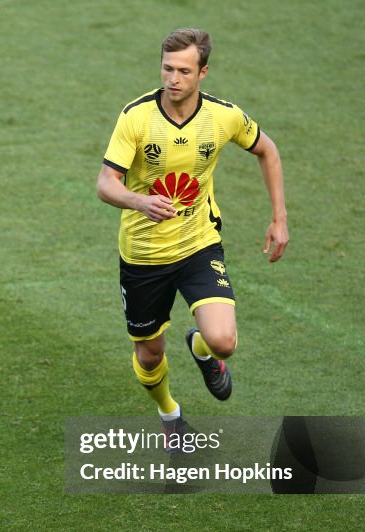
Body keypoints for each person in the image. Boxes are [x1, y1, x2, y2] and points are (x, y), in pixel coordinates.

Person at [96, 28, 288, 447]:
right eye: (167, 68)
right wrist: (137, 201)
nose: (173, 79)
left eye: (184, 70)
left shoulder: (224, 117)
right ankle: (170, 414)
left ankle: (202, 349)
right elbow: (105, 182)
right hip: (144, 255)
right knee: (149, 355)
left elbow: (267, 150)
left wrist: (279, 219)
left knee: (223, 341)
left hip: (198, 243)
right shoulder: (136, 116)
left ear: (203, 72)